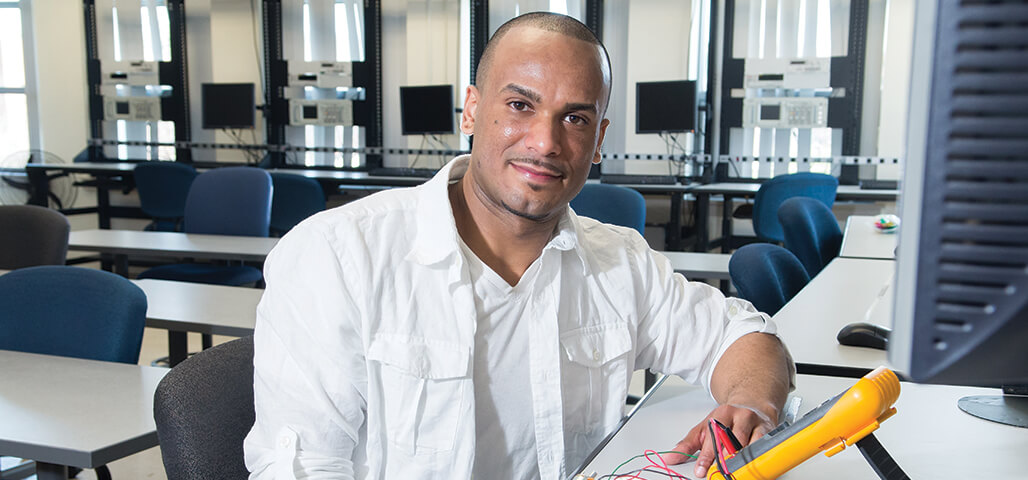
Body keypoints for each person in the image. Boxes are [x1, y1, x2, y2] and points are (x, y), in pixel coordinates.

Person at [244, 11, 793, 480]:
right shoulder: (337, 258)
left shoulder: (620, 264)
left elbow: (746, 339)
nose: (545, 142)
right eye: (520, 105)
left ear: (598, 140)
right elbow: (301, 467)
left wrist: (749, 403)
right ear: (472, 111)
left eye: (574, 118)